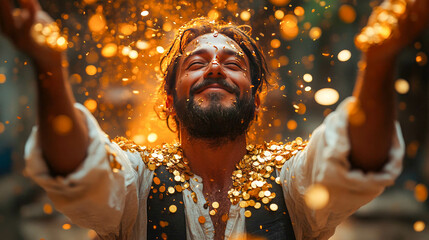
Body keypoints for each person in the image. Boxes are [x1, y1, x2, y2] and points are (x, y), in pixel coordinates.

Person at [1, 0, 428, 239]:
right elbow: (76, 169)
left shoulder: (292, 181)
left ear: (256, 101)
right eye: (197, 63)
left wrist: (381, 57)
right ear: (168, 101)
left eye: (232, 63)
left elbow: (360, 160)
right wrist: (49, 63)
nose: (215, 68)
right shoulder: (137, 181)